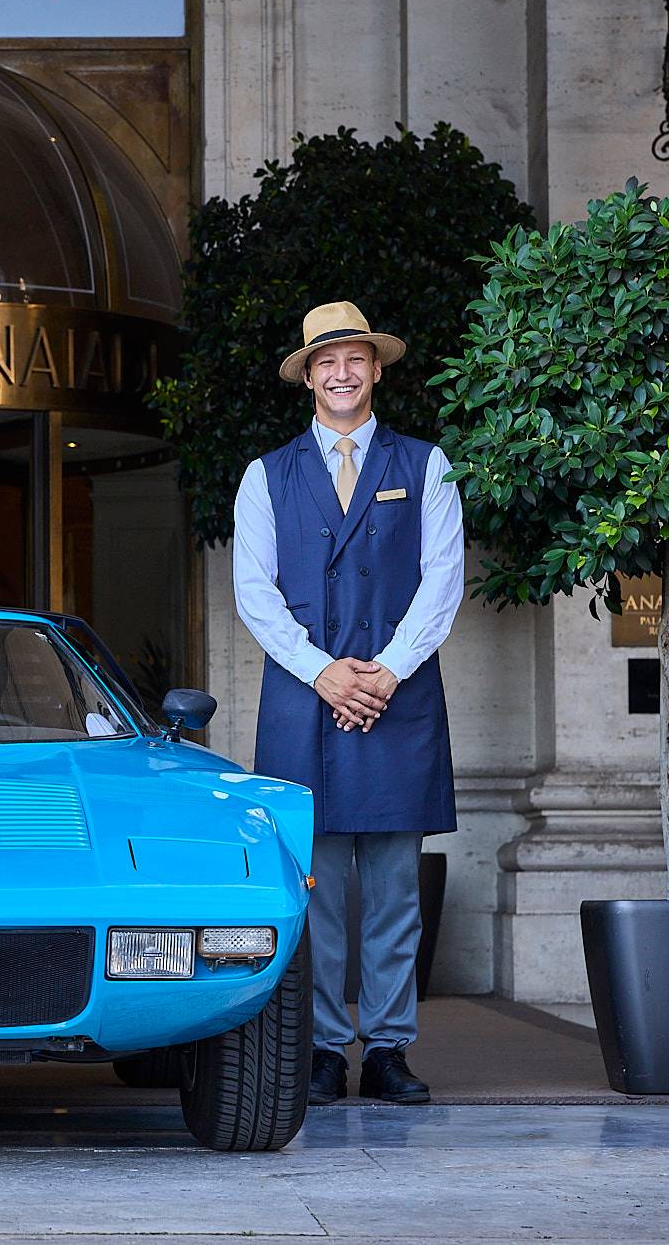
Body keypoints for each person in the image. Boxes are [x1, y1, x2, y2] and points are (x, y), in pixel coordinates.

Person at [231, 301, 463, 1106]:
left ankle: (390, 1048)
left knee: (396, 890)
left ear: (375, 368)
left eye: (355, 359)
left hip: (398, 700)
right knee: (316, 889)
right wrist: (324, 673)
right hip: (304, 701)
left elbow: (443, 583)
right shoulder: (266, 475)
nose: (342, 372)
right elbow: (254, 595)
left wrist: (386, 674)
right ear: (308, 375)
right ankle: (327, 1047)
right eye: (327, 361)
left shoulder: (425, 465)